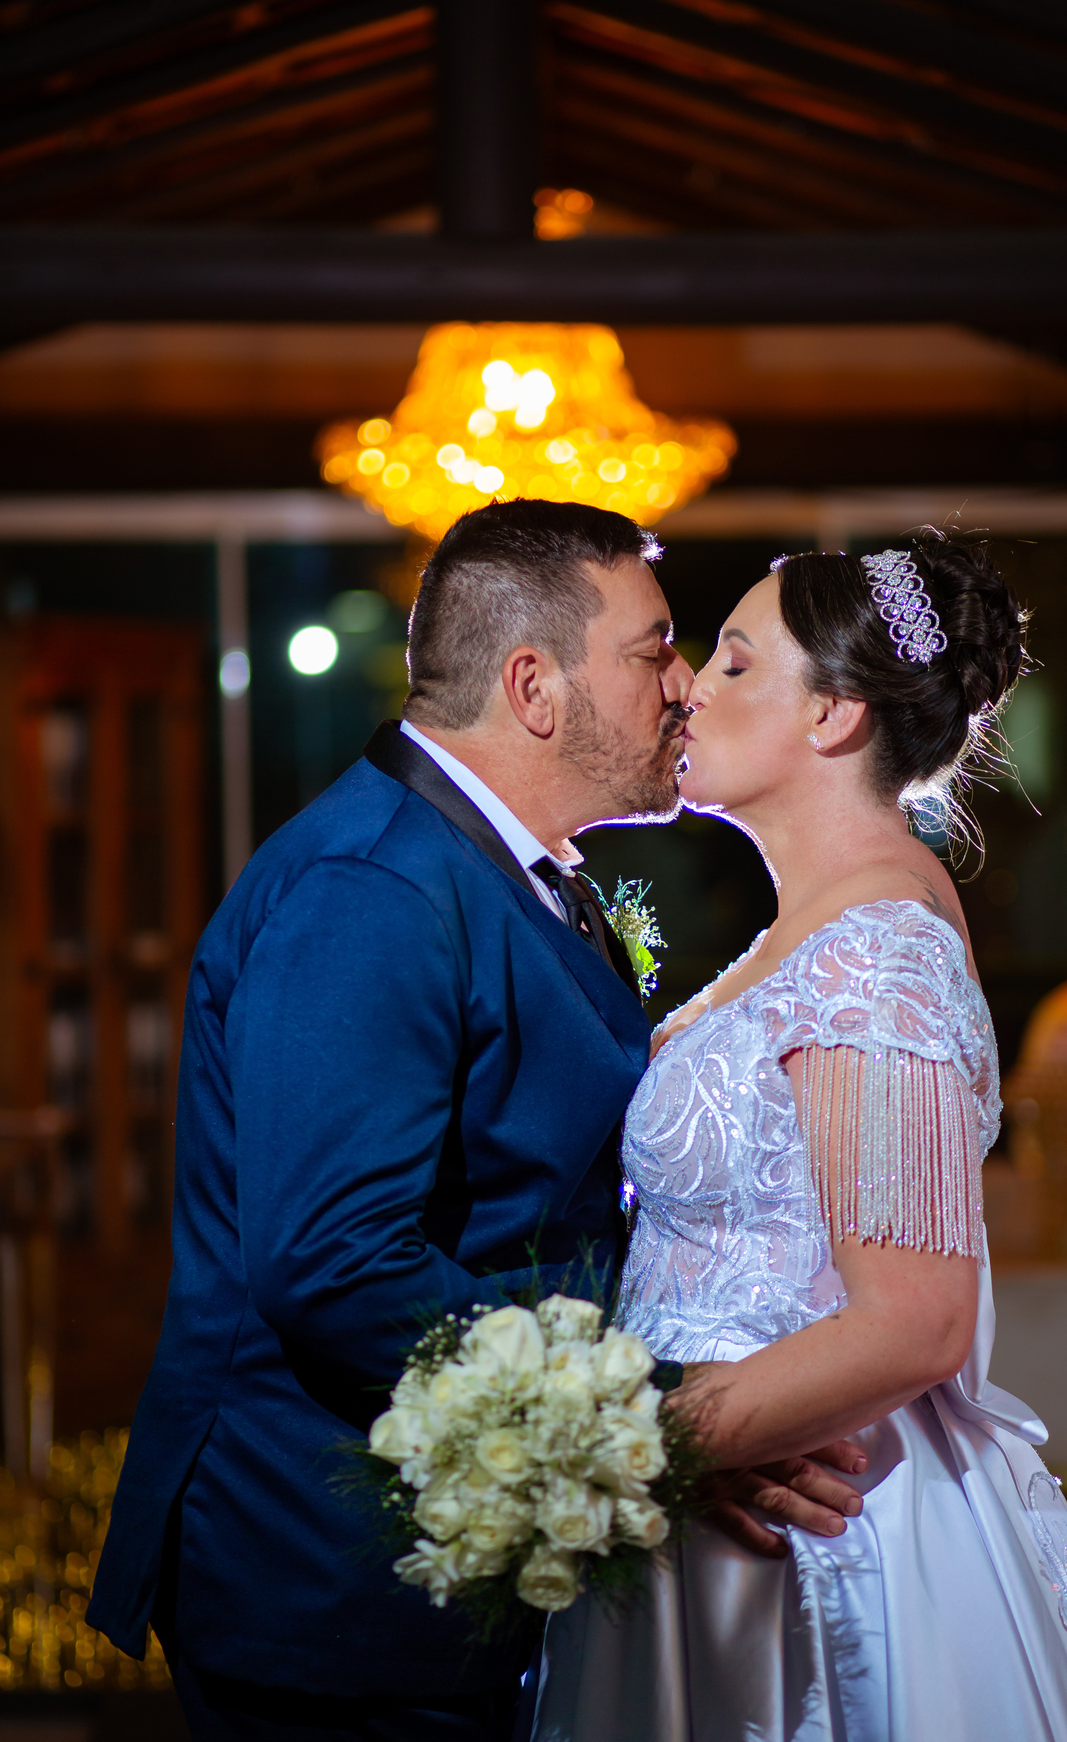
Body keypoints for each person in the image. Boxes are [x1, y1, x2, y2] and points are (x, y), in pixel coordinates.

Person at [87, 501, 861, 1742]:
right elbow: (335, 1263)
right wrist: (655, 1418)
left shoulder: (512, 871)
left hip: (457, 1572)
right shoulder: (370, 890)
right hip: (334, 1582)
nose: (682, 687)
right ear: (533, 687)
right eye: (653, 651)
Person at [534, 536, 1067, 1742]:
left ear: (835, 714)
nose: (691, 688)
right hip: (722, 1505)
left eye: (736, 662)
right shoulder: (809, 932)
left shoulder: (878, 949)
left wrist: (628, 1442)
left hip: (818, 1536)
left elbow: (915, 1321)